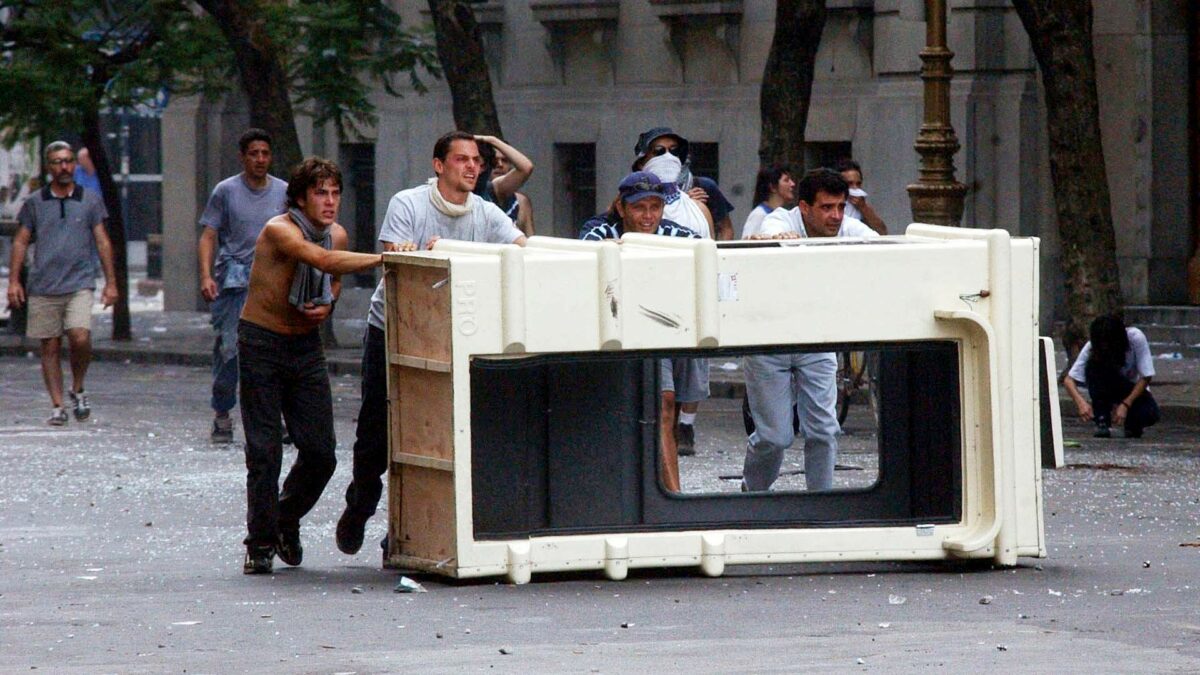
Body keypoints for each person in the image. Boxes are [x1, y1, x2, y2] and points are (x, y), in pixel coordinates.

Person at [335, 131, 529, 557]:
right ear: (439, 165)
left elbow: (520, 249)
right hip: (395, 328)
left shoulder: (485, 211)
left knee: (438, 437)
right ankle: (360, 504)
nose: (472, 167)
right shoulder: (408, 203)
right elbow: (393, 257)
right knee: (377, 431)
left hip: (455, 336)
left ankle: (408, 532)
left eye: (476, 160)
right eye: (462, 159)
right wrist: (407, 251)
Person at [239, 157, 382, 575]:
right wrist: (381, 261)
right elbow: (320, 261)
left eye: (336, 192)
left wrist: (328, 304)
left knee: (321, 453)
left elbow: (330, 280)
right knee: (264, 451)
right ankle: (260, 543)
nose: (331, 201)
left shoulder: (336, 234)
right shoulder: (279, 229)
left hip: (303, 346)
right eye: (321, 193)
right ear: (300, 198)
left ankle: (285, 517)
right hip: (261, 342)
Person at [741, 168, 878, 492]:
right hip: (767, 342)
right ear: (803, 208)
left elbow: (880, 244)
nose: (836, 216)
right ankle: (753, 494)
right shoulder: (781, 220)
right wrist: (774, 241)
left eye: (841, 207)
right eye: (827, 207)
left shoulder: (846, 227)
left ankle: (822, 504)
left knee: (825, 430)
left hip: (816, 340)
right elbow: (766, 234)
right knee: (775, 437)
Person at [581, 171, 701, 493]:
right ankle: (673, 495)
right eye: (639, 208)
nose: (648, 216)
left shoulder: (682, 234)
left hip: (676, 329)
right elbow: (585, 261)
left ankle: (657, 489)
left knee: (672, 410)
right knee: (664, 402)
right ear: (621, 208)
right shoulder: (597, 231)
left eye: (655, 207)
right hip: (625, 332)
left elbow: (707, 260)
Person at [6, 141, 118, 426]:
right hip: (43, 284)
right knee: (50, 346)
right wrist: (14, 281)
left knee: (80, 335)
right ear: (49, 167)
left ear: (75, 164)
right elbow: (20, 241)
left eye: (68, 161)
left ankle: (77, 387)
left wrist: (111, 282)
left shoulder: (90, 199)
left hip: (80, 281)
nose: (64, 166)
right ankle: (57, 405)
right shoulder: (35, 202)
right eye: (57, 161)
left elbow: (102, 240)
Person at [631, 127, 726, 455]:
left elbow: (711, 252)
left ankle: (683, 431)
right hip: (649, 313)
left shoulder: (697, 207)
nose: (668, 158)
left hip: (689, 309)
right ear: (642, 157)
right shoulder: (628, 204)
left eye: (674, 150)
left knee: (688, 389)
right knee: (664, 396)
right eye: (658, 151)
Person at [197, 129, 288, 444]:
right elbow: (209, 234)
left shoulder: (283, 193)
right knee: (230, 349)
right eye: (254, 153)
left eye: (265, 153)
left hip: (273, 281)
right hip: (234, 281)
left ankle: (275, 417)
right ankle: (222, 412)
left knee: (275, 350)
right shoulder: (226, 191)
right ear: (243, 156)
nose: (260, 159)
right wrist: (206, 275)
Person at [1063, 315, 1160, 439]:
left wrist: (1126, 404)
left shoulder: (1136, 338)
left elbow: (1146, 376)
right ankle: (1102, 419)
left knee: (1150, 413)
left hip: (1131, 390)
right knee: (1093, 368)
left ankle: (1132, 424)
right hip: (1107, 386)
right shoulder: (1093, 346)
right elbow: (1069, 380)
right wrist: (1081, 402)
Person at [741, 165, 796, 239]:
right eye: (786, 180)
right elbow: (747, 243)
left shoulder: (784, 215)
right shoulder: (759, 215)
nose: (792, 184)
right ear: (773, 187)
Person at [835, 159, 886, 235]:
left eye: (858, 184)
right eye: (849, 184)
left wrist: (863, 208)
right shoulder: (832, 205)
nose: (855, 188)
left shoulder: (862, 206)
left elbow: (882, 232)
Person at [489, 153, 535, 236]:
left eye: (505, 160)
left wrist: (492, 140)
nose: (500, 164)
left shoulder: (522, 201)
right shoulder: (474, 197)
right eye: (494, 160)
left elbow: (530, 240)